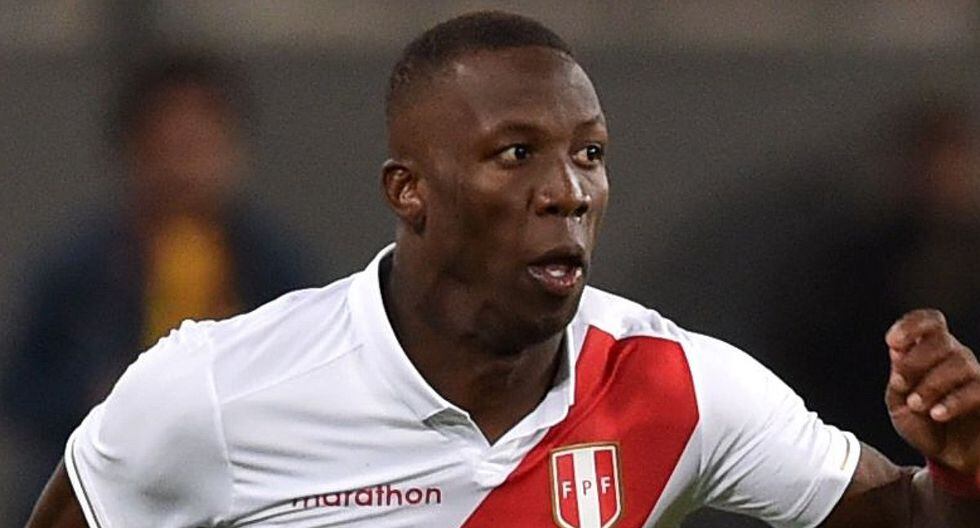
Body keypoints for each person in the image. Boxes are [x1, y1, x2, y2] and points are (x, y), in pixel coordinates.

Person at [27, 12, 980, 528]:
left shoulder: (676, 386)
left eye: (590, 154)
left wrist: (963, 466)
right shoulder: (213, 393)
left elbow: (909, 516)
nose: (568, 191)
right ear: (409, 191)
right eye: (516, 154)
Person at [3, 53, 312, 525]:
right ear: (133, 151)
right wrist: (102, 401)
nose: (185, 168)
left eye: (202, 146)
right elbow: (23, 387)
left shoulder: (272, 266)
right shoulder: (75, 269)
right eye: (170, 147)